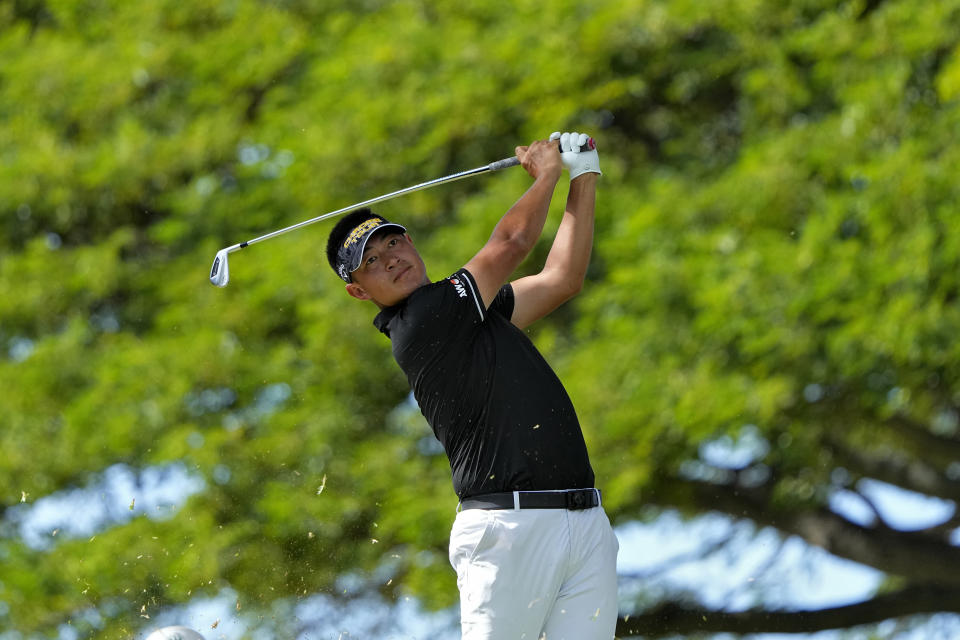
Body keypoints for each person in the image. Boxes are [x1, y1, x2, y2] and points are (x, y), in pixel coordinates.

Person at [325, 132, 618, 640]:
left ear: (410, 241)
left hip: (585, 522)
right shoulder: (421, 320)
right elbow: (512, 243)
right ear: (358, 291)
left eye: (392, 242)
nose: (390, 258)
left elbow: (562, 278)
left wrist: (584, 177)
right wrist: (547, 172)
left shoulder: (472, 314)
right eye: (371, 262)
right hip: (508, 530)